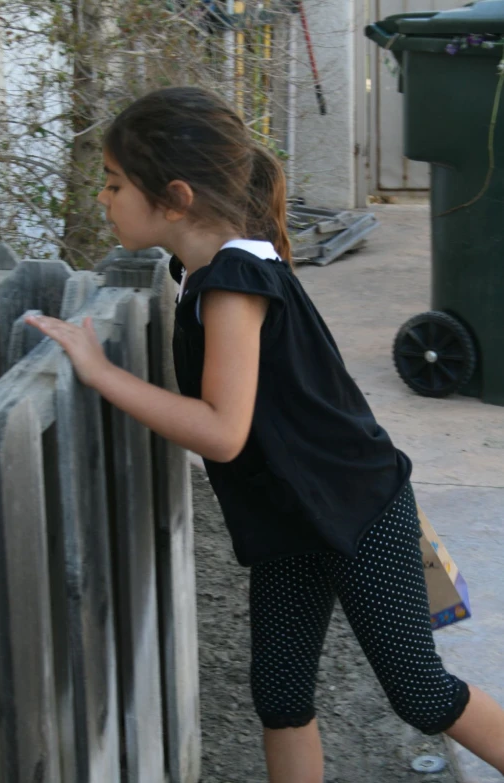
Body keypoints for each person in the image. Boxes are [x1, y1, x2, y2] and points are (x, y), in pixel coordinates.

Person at [26, 86, 504, 783]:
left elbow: (222, 431)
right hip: (290, 515)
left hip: (356, 508)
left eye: (114, 183)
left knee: (422, 693)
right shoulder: (203, 269)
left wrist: (100, 371)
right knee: (279, 696)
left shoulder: (234, 280)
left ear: (177, 196)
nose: (103, 198)